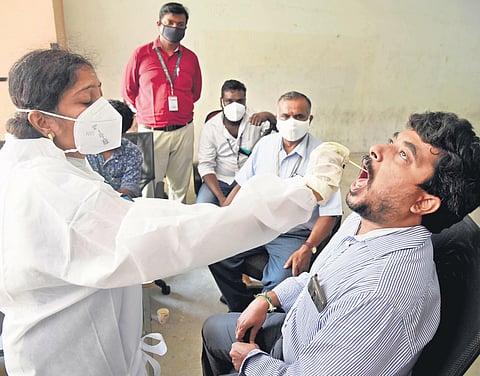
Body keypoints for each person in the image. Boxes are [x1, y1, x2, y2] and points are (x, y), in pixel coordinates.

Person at [0, 48, 348, 376]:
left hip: (83, 338)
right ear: (42, 120)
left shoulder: (50, 160)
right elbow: (173, 235)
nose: (102, 110)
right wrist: (303, 193)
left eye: (100, 96)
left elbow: (131, 214)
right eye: (87, 101)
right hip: (69, 356)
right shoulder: (48, 188)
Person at [201, 111, 480, 376]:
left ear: (424, 202)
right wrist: (268, 298)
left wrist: (250, 361)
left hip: (296, 364)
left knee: (227, 345)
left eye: (403, 155)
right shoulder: (366, 221)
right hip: (297, 332)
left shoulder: (380, 298)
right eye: (393, 142)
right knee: (213, 329)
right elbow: (317, 281)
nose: (375, 149)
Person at [209, 91, 343, 312]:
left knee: (282, 282)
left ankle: (265, 320)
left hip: (294, 232)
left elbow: (331, 213)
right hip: (258, 221)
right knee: (214, 249)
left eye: (299, 117)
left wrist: (308, 247)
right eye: (285, 116)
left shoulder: (323, 157)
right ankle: (240, 306)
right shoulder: (266, 145)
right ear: (277, 118)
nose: (292, 122)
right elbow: (242, 183)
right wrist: (223, 215)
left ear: (310, 120)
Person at [122, 2, 202, 201]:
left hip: (183, 129)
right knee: (148, 188)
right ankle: (150, 227)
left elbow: (195, 92)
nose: (175, 28)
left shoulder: (190, 58)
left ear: (185, 27)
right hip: (150, 131)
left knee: (180, 187)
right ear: (159, 23)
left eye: (180, 24)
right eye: (170, 23)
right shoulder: (141, 54)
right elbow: (128, 91)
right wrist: (147, 113)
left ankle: (177, 227)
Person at [196, 79, 276, 206]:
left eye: (239, 101)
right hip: (219, 181)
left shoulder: (256, 119)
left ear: (245, 101)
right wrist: (221, 198)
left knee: (255, 212)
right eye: (229, 101)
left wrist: (268, 116)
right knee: (202, 207)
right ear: (221, 101)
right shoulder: (211, 127)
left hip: (249, 180)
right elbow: (206, 165)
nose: (235, 106)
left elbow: (280, 136)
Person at [86, 99, 143, 198]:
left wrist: (111, 200)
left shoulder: (132, 152)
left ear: (122, 131)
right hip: (88, 203)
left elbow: (130, 187)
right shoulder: (84, 148)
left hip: (121, 204)